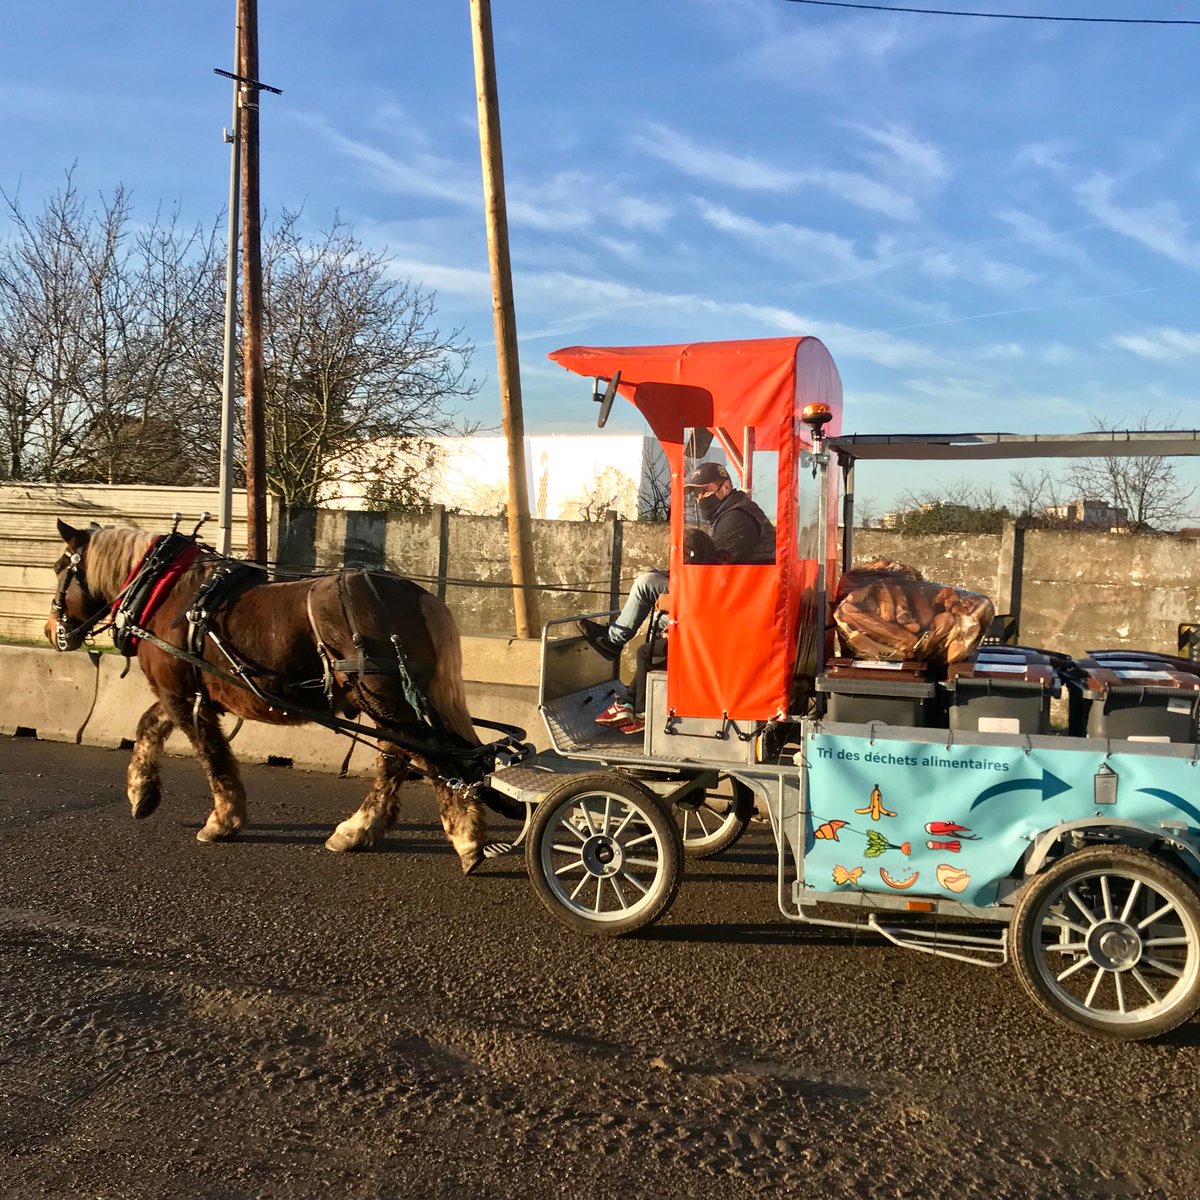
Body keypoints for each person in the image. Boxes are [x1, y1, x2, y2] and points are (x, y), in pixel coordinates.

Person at [578, 462, 775, 661]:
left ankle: (612, 642)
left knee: (645, 584)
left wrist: (672, 596)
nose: (699, 498)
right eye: (696, 494)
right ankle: (636, 680)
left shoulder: (736, 519)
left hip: (733, 607)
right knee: (655, 588)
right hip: (738, 600)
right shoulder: (736, 513)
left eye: (705, 491)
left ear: (725, 487)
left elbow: (712, 574)